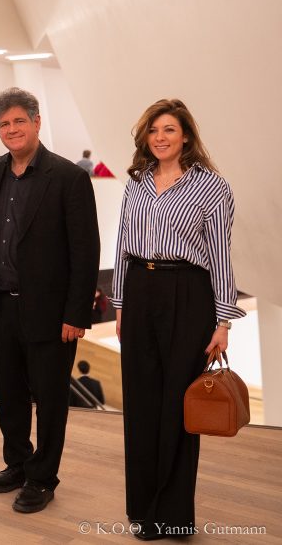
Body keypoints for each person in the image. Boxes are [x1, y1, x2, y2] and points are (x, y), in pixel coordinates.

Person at [111, 98, 243, 539]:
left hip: (188, 294)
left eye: (169, 129)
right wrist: (120, 305)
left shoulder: (212, 186)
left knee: (177, 407)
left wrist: (223, 321)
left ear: (186, 136)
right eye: (153, 131)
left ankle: (173, 515)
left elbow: (221, 257)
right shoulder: (136, 183)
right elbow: (122, 245)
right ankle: (142, 510)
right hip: (139, 290)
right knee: (141, 404)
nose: (160, 137)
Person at [0, 88, 100, 513]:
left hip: (51, 313)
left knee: (49, 401)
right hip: (3, 304)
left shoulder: (68, 177)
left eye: (19, 121)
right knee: (9, 394)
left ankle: (43, 478)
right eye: (4, 124)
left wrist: (76, 314)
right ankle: (17, 464)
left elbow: (85, 251)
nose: (12, 129)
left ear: (36, 122)